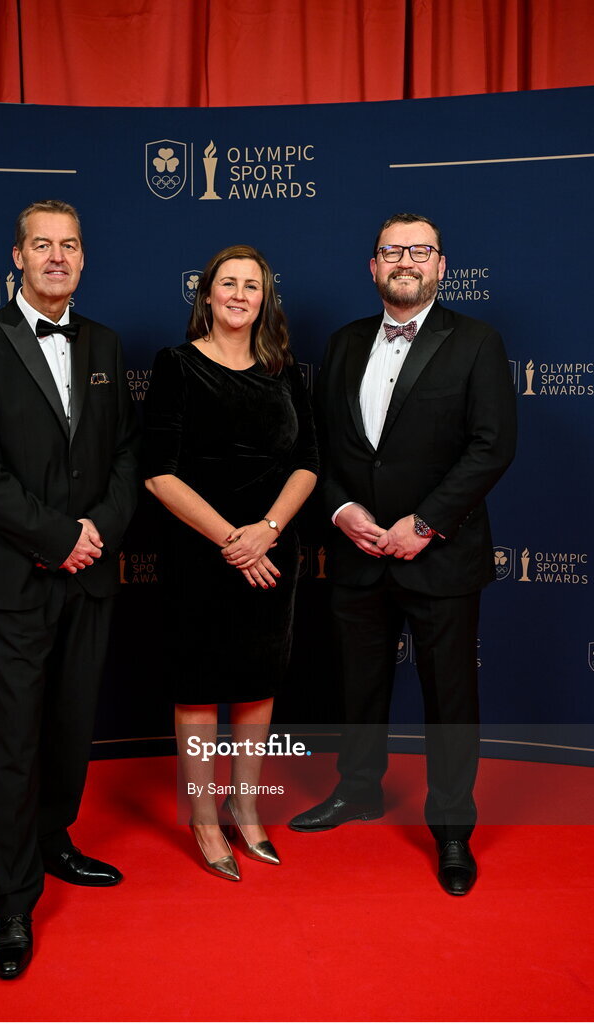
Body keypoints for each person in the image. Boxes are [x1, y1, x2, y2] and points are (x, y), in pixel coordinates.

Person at [289, 213, 516, 895]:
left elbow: (490, 446)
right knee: (357, 685)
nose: (405, 261)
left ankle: (450, 827)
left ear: (441, 266)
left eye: (419, 251)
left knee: (450, 695)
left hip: (438, 555)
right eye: (392, 251)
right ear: (372, 266)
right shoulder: (343, 342)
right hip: (358, 551)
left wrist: (425, 522)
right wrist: (339, 510)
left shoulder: (474, 342)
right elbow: (321, 449)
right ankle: (357, 789)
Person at [0, 199, 139, 978]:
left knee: (70, 724)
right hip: (18, 579)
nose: (56, 257)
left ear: (83, 259)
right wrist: (58, 538)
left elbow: (126, 452)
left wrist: (97, 534)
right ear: (17, 256)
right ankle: (13, 903)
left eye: (69, 246)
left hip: (89, 576)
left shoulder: (104, 342)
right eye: (42, 245)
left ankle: (56, 839)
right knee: (17, 741)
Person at [144, 244, 318, 880]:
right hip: (199, 552)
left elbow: (309, 463)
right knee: (197, 689)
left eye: (253, 285)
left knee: (256, 684)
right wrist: (231, 540)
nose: (240, 294)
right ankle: (204, 819)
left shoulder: (286, 372)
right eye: (229, 283)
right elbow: (158, 474)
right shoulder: (176, 366)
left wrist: (266, 532)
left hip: (272, 553)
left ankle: (247, 810)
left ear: (265, 297)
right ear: (207, 294)